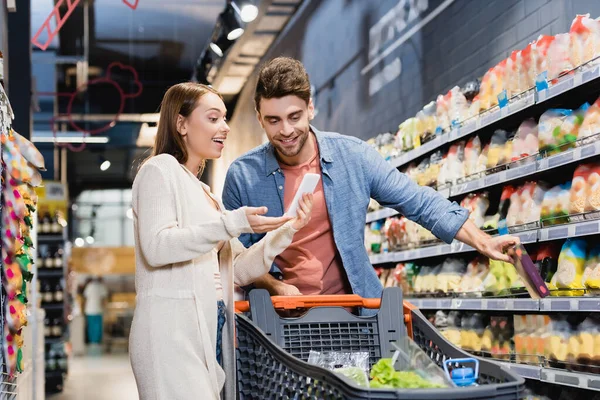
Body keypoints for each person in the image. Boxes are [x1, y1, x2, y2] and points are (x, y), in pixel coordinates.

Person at [222, 57, 519, 307]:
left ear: (310, 108)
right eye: (274, 120)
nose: (286, 130)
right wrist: (275, 286)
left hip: (354, 312)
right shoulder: (243, 176)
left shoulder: (353, 156)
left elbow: (418, 201)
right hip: (278, 320)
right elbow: (233, 256)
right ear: (260, 118)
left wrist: (484, 240)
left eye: (294, 116)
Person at [129, 82, 313, 400]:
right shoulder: (159, 171)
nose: (225, 128)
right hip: (168, 333)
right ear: (182, 124)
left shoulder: (204, 193)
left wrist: (288, 229)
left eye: (225, 118)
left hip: (207, 329)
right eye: (213, 118)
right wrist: (231, 223)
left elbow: (239, 270)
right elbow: (157, 247)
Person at [83, 276, 108, 345]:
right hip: (98, 309)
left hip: (89, 310)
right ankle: (96, 341)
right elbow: (104, 300)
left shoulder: (89, 286)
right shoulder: (101, 286)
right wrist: (105, 308)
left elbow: (85, 298)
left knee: (91, 326)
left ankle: (92, 341)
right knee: (97, 326)